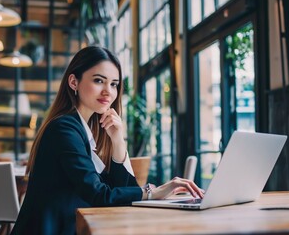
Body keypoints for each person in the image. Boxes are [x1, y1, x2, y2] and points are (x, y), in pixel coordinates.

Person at [11, 46, 204, 235]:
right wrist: (153, 192)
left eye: (114, 84)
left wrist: (118, 141)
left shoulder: (85, 129)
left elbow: (122, 190)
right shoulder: (64, 129)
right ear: (73, 82)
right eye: (98, 81)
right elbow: (99, 195)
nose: (108, 92)